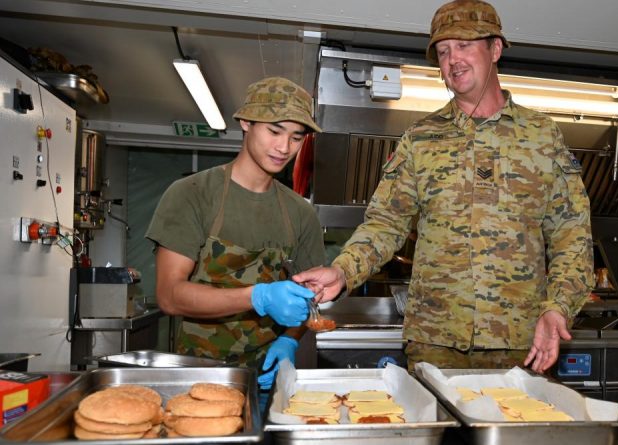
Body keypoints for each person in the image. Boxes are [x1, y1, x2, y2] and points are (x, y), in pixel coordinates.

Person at [294, 0, 593, 374]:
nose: (453, 60)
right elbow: (386, 223)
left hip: (521, 343)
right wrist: (342, 271)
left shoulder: (542, 137)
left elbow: (572, 236)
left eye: (465, 45)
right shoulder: (420, 139)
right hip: (435, 342)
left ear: (495, 49)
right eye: (443, 50)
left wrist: (557, 306)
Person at [146, 77, 326, 395]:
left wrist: (289, 338)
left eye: (296, 137)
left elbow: (308, 301)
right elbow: (169, 295)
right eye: (274, 131)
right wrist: (258, 298)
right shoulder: (192, 194)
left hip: (267, 379)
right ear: (245, 122)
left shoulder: (301, 213)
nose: (284, 148)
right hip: (197, 378)